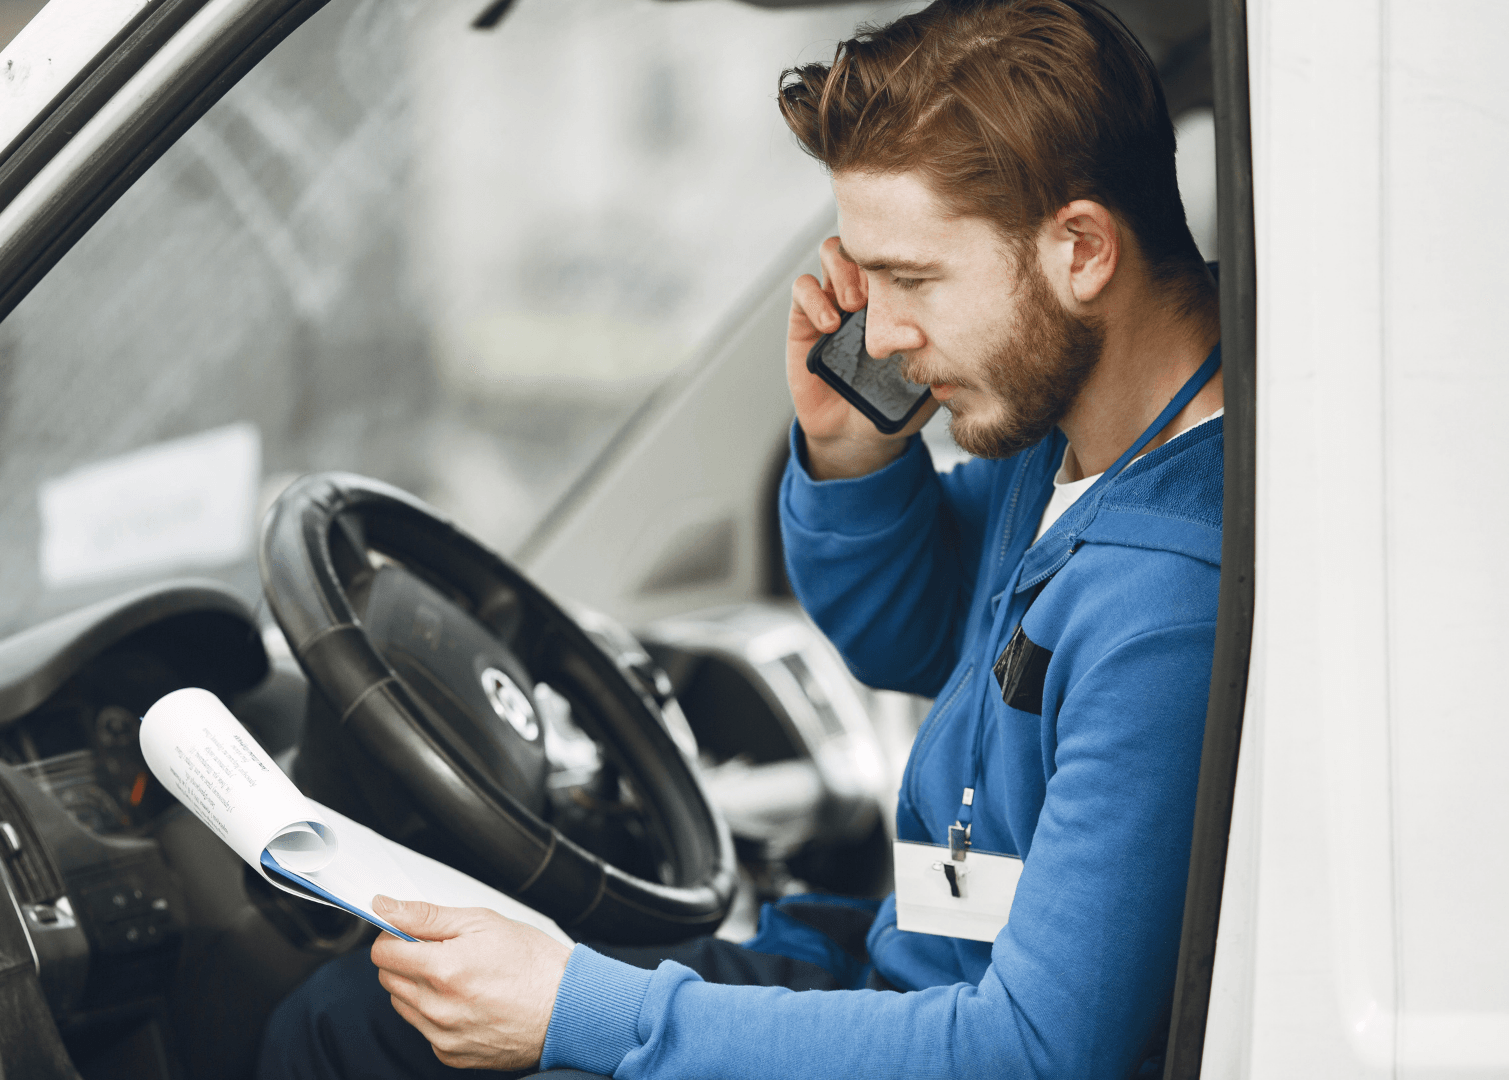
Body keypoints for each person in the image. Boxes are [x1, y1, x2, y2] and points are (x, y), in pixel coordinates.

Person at [258, 0, 1223, 1076]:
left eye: (913, 280)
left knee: (348, 1034)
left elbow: (1029, 1052)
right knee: (373, 1006)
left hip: (951, 1034)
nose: (885, 335)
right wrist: (854, 456)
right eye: (872, 279)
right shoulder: (1068, 437)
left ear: (1082, 249)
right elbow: (915, 640)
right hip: (893, 973)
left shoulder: (1168, 602)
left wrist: (577, 1009)